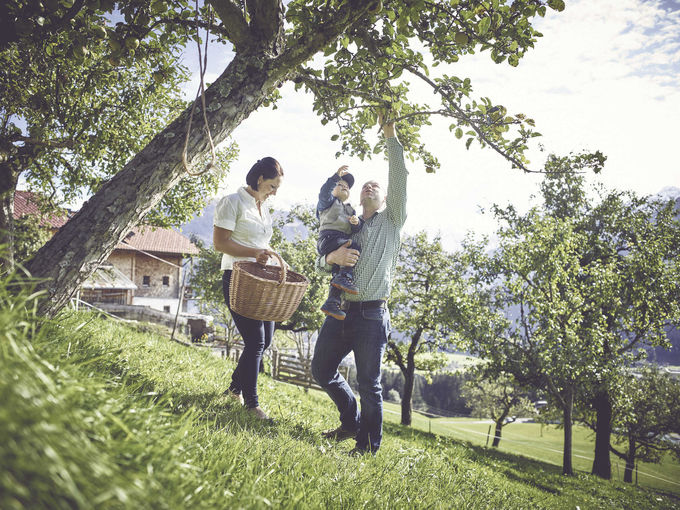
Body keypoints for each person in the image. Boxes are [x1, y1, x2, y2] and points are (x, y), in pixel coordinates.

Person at [311, 116, 407, 454]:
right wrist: (329, 259)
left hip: (370, 316)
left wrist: (390, 135)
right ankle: (349, 423)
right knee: (321, 369)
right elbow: (323, 257)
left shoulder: (392, 221)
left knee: (370, 384)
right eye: (364, 185)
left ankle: (367, 447)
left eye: (374, 186)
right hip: (339, 312)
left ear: (383, 199)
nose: (368, 186)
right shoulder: (347, 223)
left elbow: (399, 179)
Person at [213, 157, 284, 420]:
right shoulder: (232, 202)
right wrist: (255, 253)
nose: (275, 192)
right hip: (237, 279)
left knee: (265, 340)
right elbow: (221, 243)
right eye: (273, 186)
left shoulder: (264, 208)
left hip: (259, 281)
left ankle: (233, 389)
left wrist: (266, 257)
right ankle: (251, 404)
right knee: (255, 340)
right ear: (259, 179)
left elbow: (261, 243)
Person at [316, 165, 363, 320]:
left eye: (347, 187)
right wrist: (335, 176)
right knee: (354, 247)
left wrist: (356, 223)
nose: (344, 187)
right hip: (328, 238)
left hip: (339, 241)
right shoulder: (328, 202)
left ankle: (332, 301)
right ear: (333, 188)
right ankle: (344, 276)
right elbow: (324, 192)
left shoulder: (351, 210)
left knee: (338, 273)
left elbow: (356, 229)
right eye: (340, 185)